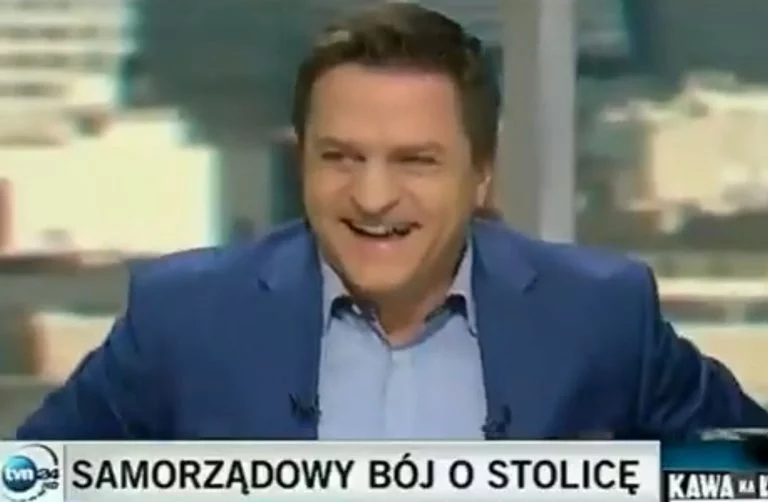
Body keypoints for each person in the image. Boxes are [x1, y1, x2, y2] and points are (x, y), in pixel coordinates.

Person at [16, 3, 768, 440]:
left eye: (415, 161)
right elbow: (32, 481)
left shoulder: (599, 316)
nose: (372, 198)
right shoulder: (185, 319)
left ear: (481, 174)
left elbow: (744, 475)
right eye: (341, 157)